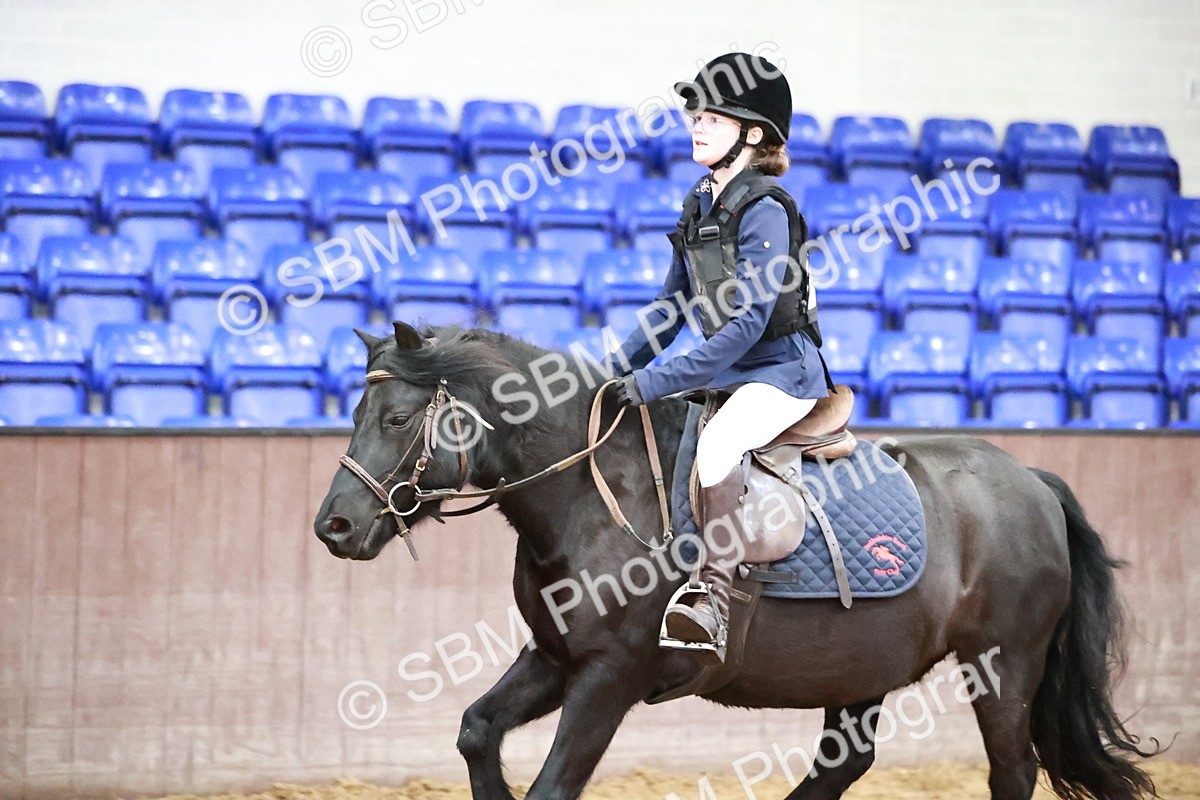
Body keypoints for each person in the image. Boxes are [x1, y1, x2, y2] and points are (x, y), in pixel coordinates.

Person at [608, 52, 834, 651]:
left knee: (718, 444)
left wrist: (656, 382)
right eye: (695, 115)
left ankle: (712, 596)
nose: (696, 125)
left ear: (752, 134)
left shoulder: (765, 209)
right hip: (731, 370)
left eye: (713, 117)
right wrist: (613, 371)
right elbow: (670, 307)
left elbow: (747, 325)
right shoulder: (700, 202)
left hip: (781, 373)